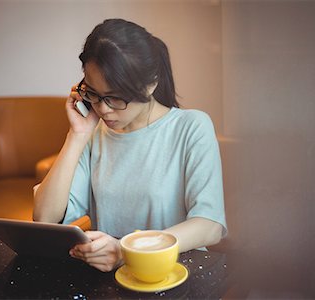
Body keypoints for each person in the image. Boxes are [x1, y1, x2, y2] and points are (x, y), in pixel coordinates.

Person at [33, 18, 227, 272]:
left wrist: (127, 250)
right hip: (110, 276)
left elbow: (209, 226)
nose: (102, 109)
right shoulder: (94, 133)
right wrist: (76, 135)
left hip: (175, 273)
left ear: (151, 84)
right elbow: (45, 218)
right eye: (92, 93)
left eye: (115, 97)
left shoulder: (191, 127)